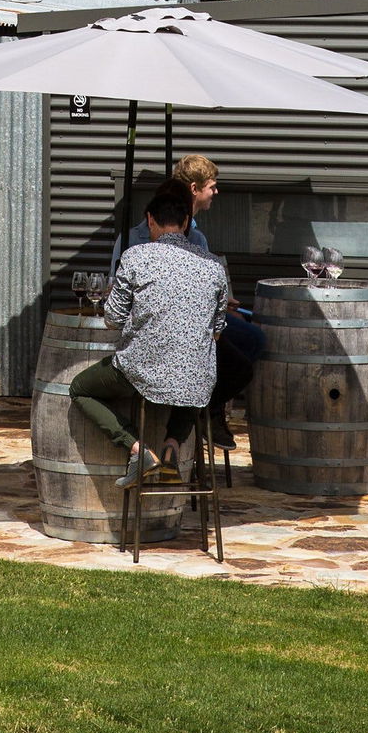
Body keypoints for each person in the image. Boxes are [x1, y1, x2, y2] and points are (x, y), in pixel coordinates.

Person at [71, 178, 232, 486]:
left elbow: (113, 320)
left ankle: (137, 449)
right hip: (198, 379)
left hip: (141, 372)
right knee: (196, 378)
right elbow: (217, 330)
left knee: (80, 388)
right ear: (186, 222)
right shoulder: (213, 267)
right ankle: (172, 446)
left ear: (150, 221)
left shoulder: (135, 257)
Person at [113, 155, 265, 435]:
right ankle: (208, 411)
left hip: (183, 328)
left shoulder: (190, 239)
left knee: (242, 345)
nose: (216, 192)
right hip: (167, 333)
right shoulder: (138, 242)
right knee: (242, 347)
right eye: (212, 186)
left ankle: (208, 407)